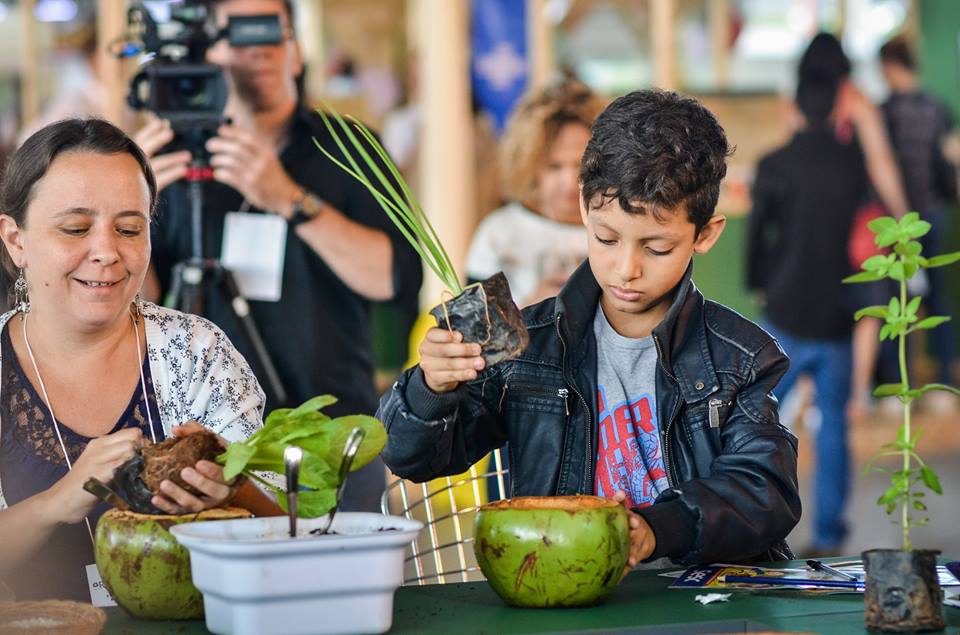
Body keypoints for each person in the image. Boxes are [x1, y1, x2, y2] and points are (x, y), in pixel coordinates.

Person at [379, 90, 801, 568]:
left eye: (657, 248)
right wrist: (430, 388)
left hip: (700, 603)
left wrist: (658, 528)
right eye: (606, 238)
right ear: (584, 207)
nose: (626, 269)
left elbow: (764, 488)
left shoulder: (739, 357)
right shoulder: (528, 348)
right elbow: (412, 458)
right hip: (558, 590)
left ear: (705, 234)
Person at [137, 0, 422, 512]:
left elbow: (392, 277)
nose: (258, 47)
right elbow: (141, 300)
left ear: (296, 53)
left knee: (343, 583)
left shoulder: (351, 146)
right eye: (238, 33)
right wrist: (131, 207)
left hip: (328, 430)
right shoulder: (170, 159)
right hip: (202, 439)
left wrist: (286, 197)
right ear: (206, 51)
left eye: (272, 30)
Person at [0, 118, 281, 602]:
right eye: (75, 228)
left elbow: (291, 531)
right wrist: (54, 504)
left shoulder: (196, 352)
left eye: (130, 228)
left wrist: (236, 493)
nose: (107, 251)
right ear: (15, 240)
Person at [747, 72, 869, 557]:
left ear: (790, 107)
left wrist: (759, 285)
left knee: (754, 420)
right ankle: (831, 535)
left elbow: (759, 236)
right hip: (840, 314)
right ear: (840, 110)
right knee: (834, 423)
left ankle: (755, 526)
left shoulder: (774, 164)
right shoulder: (854, 164)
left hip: (785, 313)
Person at [465, 80, 605, 307]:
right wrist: (531, 309)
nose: (570, 182)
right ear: (529, 165)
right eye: (554, 166)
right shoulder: (499, 233)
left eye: (580, 164)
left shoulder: (622, 228)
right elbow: (476, 329)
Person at [879, 36, 958, 411]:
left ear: (889, 66)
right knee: (938, 296)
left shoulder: (885, 112)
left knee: (898, 301)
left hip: (898, 221)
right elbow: (949, 166)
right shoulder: (937, 108)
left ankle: (899, 387)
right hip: (935, 215)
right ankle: (943, 382)